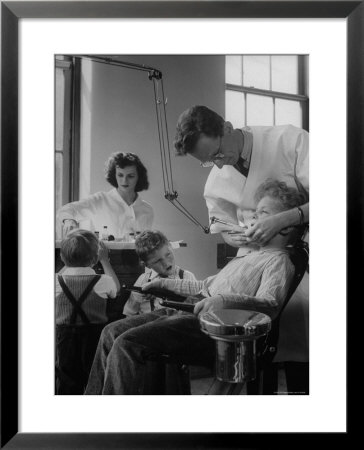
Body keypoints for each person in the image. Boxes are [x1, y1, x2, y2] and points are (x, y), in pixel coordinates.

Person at [85, 180, 305, 395]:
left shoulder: (278, 261)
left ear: (283, 228)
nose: (254, 217)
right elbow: (203, 285)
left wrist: (221, 300)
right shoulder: (250, 256)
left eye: (263, 213)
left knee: (127, 344)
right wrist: (163, 283)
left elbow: (271, 304)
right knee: (110, 332)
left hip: (209, 326)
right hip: (187, 312)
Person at [174, 105, 309, 392]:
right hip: (255, 252)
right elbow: (219, 222)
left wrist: (285, 218)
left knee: (299, 324)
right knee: (239, 331)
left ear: (226, 127)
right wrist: (231, 236)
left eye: (218, 153)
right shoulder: (219, 173)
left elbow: (343, 191)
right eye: (210, 161)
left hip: (302, 247)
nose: (220, 164)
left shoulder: (289, 141)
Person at [84, 229, 196, 394]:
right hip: (146, 328)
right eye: (158, 261)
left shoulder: (186, 277)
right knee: (110, 332)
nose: (166, 263)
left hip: (172, 327)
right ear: (147, 265)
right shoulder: (143, 281)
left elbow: (193, 310)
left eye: (168, 255)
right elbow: (129, 313)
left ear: (171, 249)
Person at [55, 229, 120, 394]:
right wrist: (105, 261)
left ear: (62, 258)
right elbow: (116, 289)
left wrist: (66, 263)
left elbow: (60, 273)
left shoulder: (56, 281)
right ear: (94, 259)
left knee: (67, 377)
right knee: (95, 376)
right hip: (95, 337)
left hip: (65, 337)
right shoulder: (103, 281)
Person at [56, 152, 154, 239]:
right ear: (114, 175)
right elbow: (66, 210)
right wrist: (69, 220)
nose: (124, 181)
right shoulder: (100, 200)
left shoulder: (147, 210)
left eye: (131, 176)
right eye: (120, 175)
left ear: (139, 177)